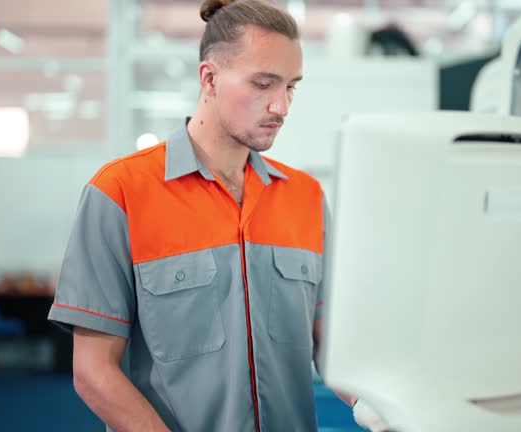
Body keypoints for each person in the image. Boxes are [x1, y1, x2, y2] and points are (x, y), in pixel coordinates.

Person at [48, 0, 372, 430]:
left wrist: (376, 405)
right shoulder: (120, 193)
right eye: (263, 84)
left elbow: (327, 341)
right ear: (209, 78)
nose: (282, 107)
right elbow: (93, 372)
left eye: (291, 86)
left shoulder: (306, 198)